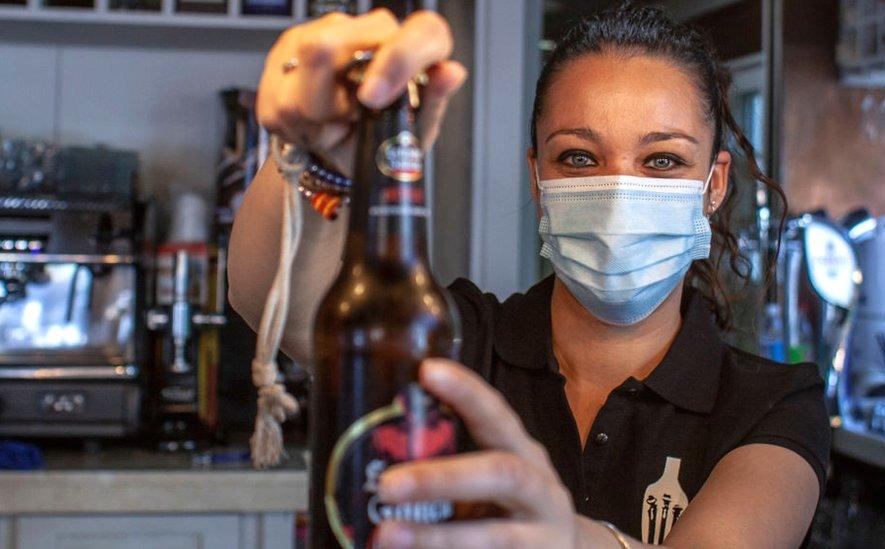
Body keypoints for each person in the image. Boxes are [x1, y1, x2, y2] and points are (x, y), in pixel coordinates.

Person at [228, 4, 829, 548]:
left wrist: (566, 539)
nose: (619, 192)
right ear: (537, 177)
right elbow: (276, 297)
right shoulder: (449, 338)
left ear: (713, 185)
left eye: (663, 160)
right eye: (579, 157)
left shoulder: (773, 403)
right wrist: (324, 159)